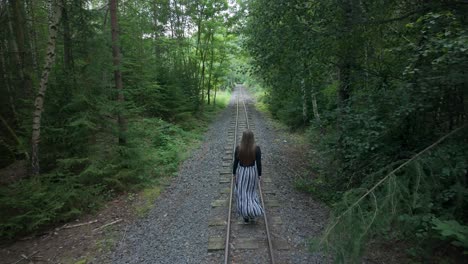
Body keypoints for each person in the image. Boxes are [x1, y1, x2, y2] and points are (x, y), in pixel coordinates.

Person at [232, 130, 263, 223]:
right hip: (252, 172)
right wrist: (259, 175)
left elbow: (235, 163)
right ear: (252, 138)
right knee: (251, 193)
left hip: (242, 172)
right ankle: (253, 214)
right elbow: (258, 163)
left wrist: (234, 173)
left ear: (243, 138)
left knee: (242, 194)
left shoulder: (238, 148)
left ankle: (245, 217)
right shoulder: (256, 149)